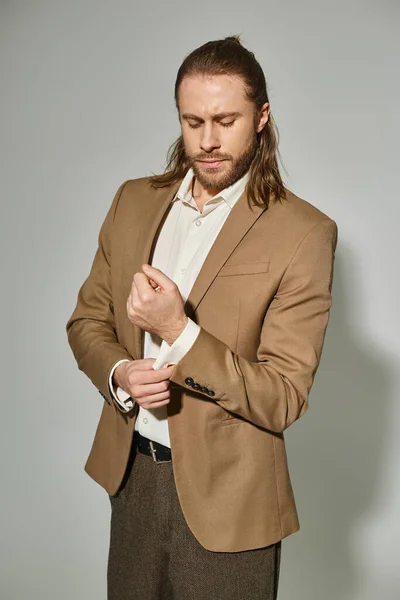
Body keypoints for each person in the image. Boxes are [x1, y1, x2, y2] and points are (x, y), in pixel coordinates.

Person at [66, 35, 338, 600]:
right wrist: (120, 373)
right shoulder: (133, 201)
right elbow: (87, 321)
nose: (208, 141)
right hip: (133, 481)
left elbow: (283, 396)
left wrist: (179, 333)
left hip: (233, 500)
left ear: (261, 117)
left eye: (225, 120)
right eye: (192, 122)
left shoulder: (304, 232)